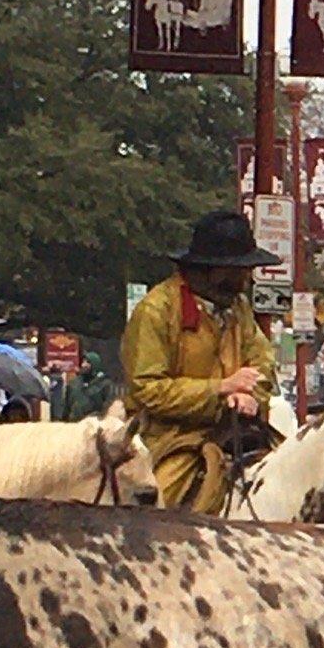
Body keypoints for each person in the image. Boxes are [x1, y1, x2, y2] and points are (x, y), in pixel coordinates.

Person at [122, 209, 279, 511]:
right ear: (211, 270)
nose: (246, 278)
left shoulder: (239, 308)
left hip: (235, 431)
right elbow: (147, 389)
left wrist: (250, 397)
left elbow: (263, 361)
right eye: (238, 270)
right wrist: (219, 389)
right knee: (157, 507)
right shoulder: (156, 311)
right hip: (168, 439)